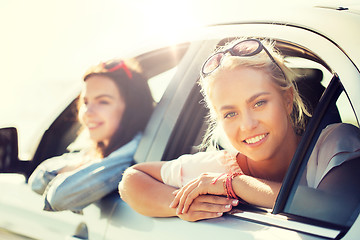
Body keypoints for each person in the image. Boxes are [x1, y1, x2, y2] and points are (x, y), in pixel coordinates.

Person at [118, 38, 360, 222]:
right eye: (230, 113)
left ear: (288, 99)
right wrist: (181, 205)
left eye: (259, 103)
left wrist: (235, 184)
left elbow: (337, 209)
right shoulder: (215, 168)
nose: (247, 125)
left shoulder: (335, 143)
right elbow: (131, 179)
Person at [29, 58, 154, 212]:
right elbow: (36, 179)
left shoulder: (133, 154)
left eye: (103, 102)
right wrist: (79, 164)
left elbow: (58, 197)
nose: (87, 112)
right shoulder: (93, 151)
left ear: (132, 109)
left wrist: (76, 167)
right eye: (86, 102)